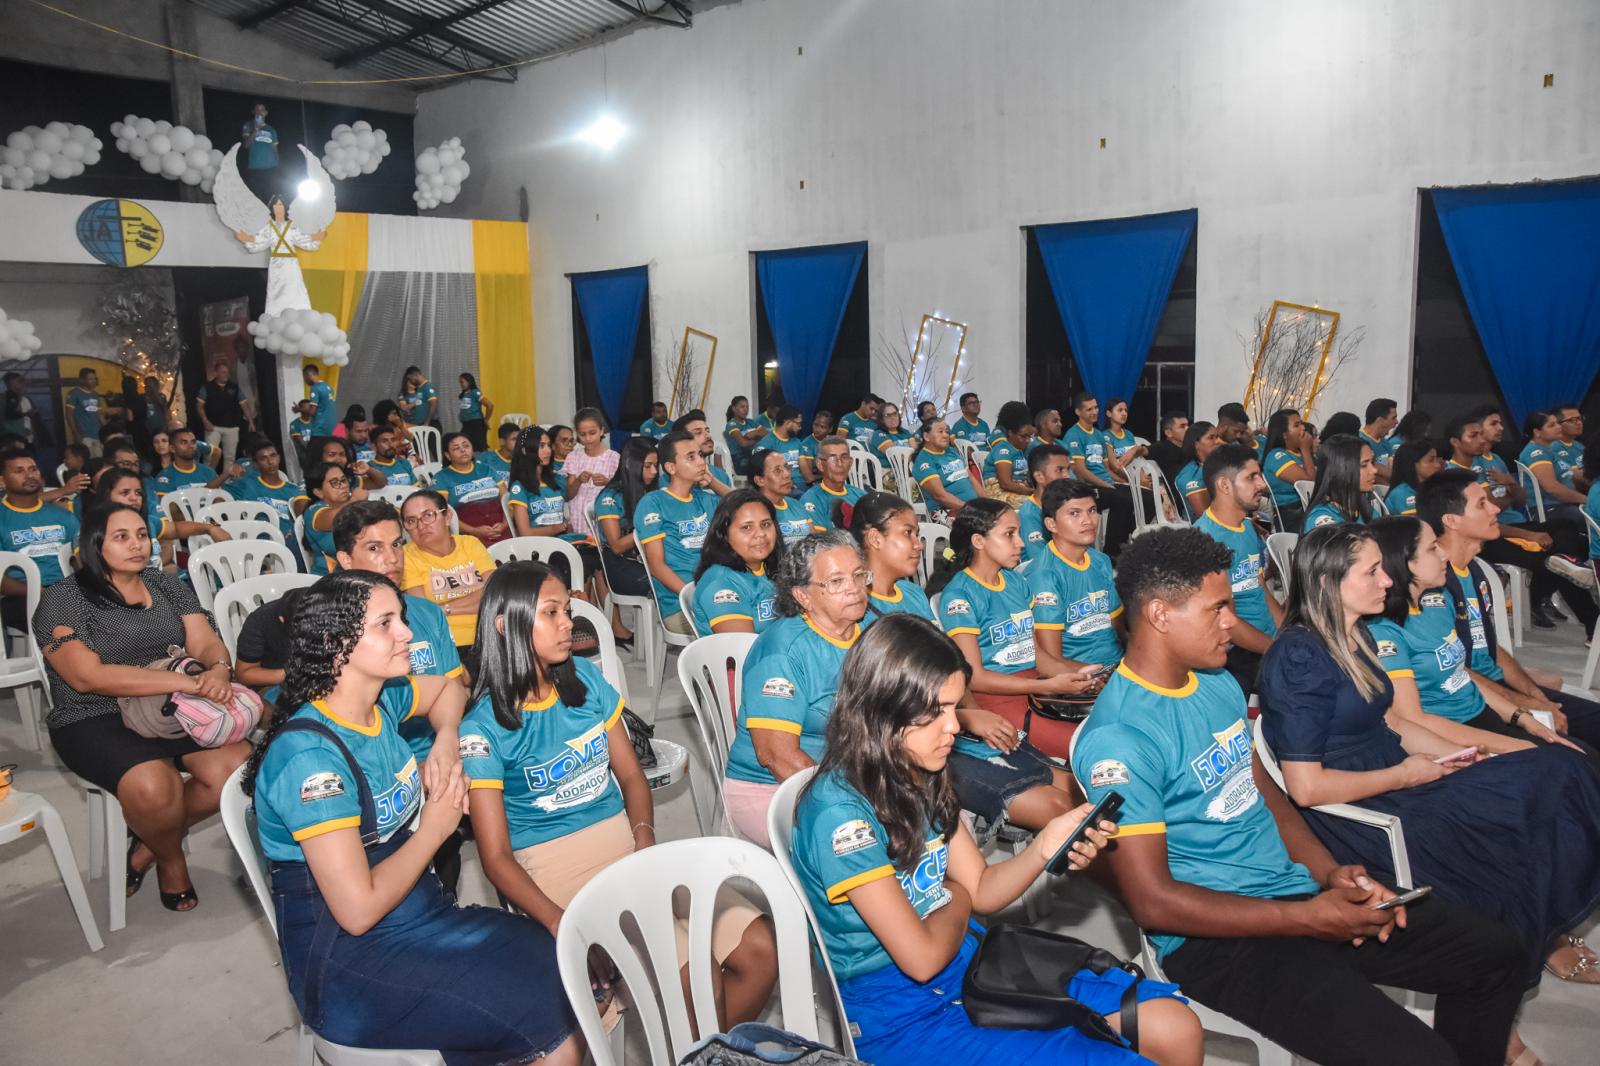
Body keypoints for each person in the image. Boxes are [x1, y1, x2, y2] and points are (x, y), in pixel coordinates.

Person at [1072, 526, 1528, 1066]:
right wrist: (1311, 918)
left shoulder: (1214, 682)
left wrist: (1329, 873)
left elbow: (1266, 792)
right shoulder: (1121, 738)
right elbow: (1153, 901)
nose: (1232, 623)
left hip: (1293, 896)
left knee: (1500, 954)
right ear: (1160, 615)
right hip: (1217, 939)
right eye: (1218, 609)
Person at [791, 613, 1202, 1066]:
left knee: (1173, 1025)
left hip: (967, 958)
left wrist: (1046, 845)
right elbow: (922, 958)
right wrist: (955, 896)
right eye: (936, 712)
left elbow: (982, 888)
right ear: (883, 709)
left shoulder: (915, 770)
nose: (954, 726)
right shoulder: (840, 815)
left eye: (954, 708)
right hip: (899, 1010)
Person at [241, 569, 580, 1064]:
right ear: (338, 645)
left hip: (420, 915)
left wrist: (444, 742)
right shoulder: (310, 762)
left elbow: (449, 691)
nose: (408, 633)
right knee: (544, 1017)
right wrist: (435, 828)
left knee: (564, 953)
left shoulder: (380, 701)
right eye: (386, 624)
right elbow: (357, 910)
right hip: (352, 961)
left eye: (402, 618)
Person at [1260, 522, 1600, 994]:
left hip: (1401, 774)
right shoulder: (1299, 656)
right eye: (1373, 571)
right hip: (1368, 808)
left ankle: (1540, 933)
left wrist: (1471, 755)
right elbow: (1306, 788)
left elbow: (1395, 725)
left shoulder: (1354, 634)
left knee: (1558, 769)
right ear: (1325, 583)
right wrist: (1403, 775)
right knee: (1525, 811)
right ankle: (1527, 947)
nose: (1387, 581)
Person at [461, 562, 778, 1030]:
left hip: (629, 846)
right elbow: (496, 857)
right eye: (551, 613)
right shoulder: (484, 727)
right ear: (506, 624)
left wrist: (644, 841)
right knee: (697, 978)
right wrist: (560, 924)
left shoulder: (583, 683)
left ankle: (705, 1054)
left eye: (566, 610)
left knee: (761, 949)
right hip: (556, 869)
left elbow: (631, 777)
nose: (569, 623)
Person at [36, 502, 249, 913]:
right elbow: (88, 677)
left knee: (235, 768)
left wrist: (218, 670)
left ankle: (147, 845)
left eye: (141, 534)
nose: (137, 544)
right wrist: (188, 681)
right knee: (154, 785)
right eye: (121, 537)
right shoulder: (63, 598)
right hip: (94, 713)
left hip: (176, 705)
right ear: (94, 546)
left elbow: (203, 639)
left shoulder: (163, 583)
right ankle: (170, 857)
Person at [1367, 513, 1573, 756]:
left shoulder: (1438, 602)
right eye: (1433, 548)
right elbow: (1414, 721)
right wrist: (1519, 746)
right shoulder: (1384, 630)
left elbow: (1460, 674)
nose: (1444, 554)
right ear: (1405, 561)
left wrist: (1521, 716)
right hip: (1450, 732)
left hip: (1481, 713)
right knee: (1567, 765)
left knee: (1581, 757)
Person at [1420, 472, 1600, 736]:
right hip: (1468, 702)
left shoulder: (1474, 570)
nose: (1495, 508)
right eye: (1482, 504)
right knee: (1581, 763)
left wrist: (1538, 697)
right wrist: (1527, 706)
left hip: (1499, 686)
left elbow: (1492, 648)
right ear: (1451, 521)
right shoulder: (1434, 585)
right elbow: (1454, 672)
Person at [928, 498, 1104, 759]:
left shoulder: (1014, 581)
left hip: (1036, 689)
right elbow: (974, 676)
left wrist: (1077, 675)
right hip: (997, 700)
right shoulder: (960, 597)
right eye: (1009, 535)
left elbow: (1036, 655)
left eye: (1019, 533)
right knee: (1090, 747)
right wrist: (1050, 685)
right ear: (979, 541)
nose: (1021, 543)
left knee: (1110, 721)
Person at [722, 531, 867, 846]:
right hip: (773, 788)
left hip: (850, 773)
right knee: (858, 843)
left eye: (858, 575)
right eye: (836, 582)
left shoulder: (870, 632)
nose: (854, 589)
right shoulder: (782, 652)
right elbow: (777, 756)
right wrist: (858, 800)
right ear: (803, 596)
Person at [1192, 444, 1281, 694]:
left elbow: (1259, 586)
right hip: (1236, 650)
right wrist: (1274, 648)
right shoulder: (1207, 540)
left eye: (1260, 475)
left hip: (1263, 641)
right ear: (1224, 485)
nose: (1262, 484)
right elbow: (1226, 622)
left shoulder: (1246, 528)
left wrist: (1287, 630)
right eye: (1251, 477)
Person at [1029, 480, 1126, 679]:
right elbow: (1052, 658)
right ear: (1051, 524)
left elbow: (1119, 631)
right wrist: (1105, 676)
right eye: (1075, 513)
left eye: (1092, 510)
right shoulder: (1044, 576)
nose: (1088, 521)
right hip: (1080, 675)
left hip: (1119, 666)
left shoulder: (1101, 561)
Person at [634, 430, 719, 634]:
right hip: (680, 604)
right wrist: (693, 598)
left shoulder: (706, 499)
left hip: (716, 593)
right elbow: (656, 566)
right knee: (732, 625)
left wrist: (714, 483)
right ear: (671, 467)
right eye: (691, 457)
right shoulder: (653, 503)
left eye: (700, 455)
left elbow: (748, 505)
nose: (701, 462)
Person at [0, 448, 82, 630]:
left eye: (33, 469)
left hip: (65, 592)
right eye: (19, 471)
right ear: (2, 480)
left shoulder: (63, 516)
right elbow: (2, 583)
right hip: (22, 596)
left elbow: (79, 562)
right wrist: (42, 592)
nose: (29, 475)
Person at [692, 489, 782, 634]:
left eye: (765, 524)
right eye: (747, 527)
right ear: (724, 534)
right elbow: (742, 650)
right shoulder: (720, 584)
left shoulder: (773, 566)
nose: (760, 534)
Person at [1064, 393, 1136, 555]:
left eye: (1096, 407)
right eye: (1089, 409)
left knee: (1141, 496)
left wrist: (1126, 483)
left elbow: (1107, 468)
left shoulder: (1098, 434)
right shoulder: (1074, 435)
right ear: (1078, 412)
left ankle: (1128, 544)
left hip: (1106, 483)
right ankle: (1112, 550)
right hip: (1088, 487)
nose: (1094, 411)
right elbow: (1080, 471)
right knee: (1122, 500)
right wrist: (1107, 485)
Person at [593, 436, 657, 607]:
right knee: (664, 582)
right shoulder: (610, 498)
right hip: (620, 565)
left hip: (644, 557)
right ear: (630, 465)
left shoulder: (647, 491)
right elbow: (616, 546)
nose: (654, 472)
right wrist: (649, 528)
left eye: (655, 465)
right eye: (648, 466)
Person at [433, 432, 509, 545]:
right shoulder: (442, 477)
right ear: (448, 455)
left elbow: (507, 500)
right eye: (456, 448)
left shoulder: (487, 469)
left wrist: (505, 524)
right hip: (468, 533)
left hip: (500, 527)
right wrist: (474, 531)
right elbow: (443, 513)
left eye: (466, 446)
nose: (463, 450)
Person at [228, 439, 305, 548]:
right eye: (264, 458)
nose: (270, 462)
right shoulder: (246, 485)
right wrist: (227, 472)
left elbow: (300, 523)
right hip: (258, 542)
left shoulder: (293, 490)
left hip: (289, 543)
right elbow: (214, 493)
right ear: (255, 464)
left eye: (273, 456)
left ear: (278, 458)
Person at [559, 408, 617, 541]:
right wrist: (578, 480)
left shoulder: (614, 458)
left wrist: (607, 482)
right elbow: (569, 494)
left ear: (602, 430)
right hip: (578, 519)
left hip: (602, 520)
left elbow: (619, 493)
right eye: (582, 434)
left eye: (592, 433)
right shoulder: (573, 457)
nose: (588, 439)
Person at [300, 461, 363, 575]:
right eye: (335, 482)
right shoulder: (313, 512)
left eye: (343, 480)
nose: (343, 485)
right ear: (318, 492)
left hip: (355, 572)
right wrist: (355, 500)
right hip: (328, 579)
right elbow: (339, 517)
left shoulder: (349, 504)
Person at [1302, 433, 1374, 532]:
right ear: (1342, 470)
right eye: (1364, 465)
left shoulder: (1363, 507)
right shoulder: (1322, 518)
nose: (1374, 470)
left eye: (1372, 462)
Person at [912, 417, 979, 522]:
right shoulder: (924, 461)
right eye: (940, 431)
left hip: (971, 507)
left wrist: (987, 503)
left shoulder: (951, 451)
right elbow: (940, 496)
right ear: (926, 436)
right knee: (987, 526)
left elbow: (971, 478)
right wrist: (970, 509)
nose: (945, 435)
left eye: (947, 431)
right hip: (945, 511)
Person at [1260, 407, 1316, 531]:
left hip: (1309, 511)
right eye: (1297, 425)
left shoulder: (1300, 454)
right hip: (1292, 516)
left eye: (1302, 423)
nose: (1303, 428)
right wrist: (1306, 449)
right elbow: (1309, 482)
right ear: (1284, 434)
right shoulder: (1276, 456)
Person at [1017, 443, 1072, 564]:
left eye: (1068, 469)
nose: (1067, 475)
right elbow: (1040, 561)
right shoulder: (1029, 514)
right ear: (1039, 476)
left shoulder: (1066, 503)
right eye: (1059, 470)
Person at [799, 436, 866, 531]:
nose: (840, 464)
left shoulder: (860, 495)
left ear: (850, 463)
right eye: (833, 459)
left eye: (844, 457)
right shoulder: (812, 500)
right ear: (820, 465)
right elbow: (820, 542)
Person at [748, 448, 812, 545]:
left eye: (786, 467)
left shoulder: (796, 505)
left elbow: (815, 542)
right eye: (777, 471)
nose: (787, 474)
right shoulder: (754, 511)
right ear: (760, 480)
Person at [197, 362, 251, 469]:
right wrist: (205, 420)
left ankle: (227, 481)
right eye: (223, 372)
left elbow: (244, 404)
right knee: (210, 455)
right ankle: (208, 478)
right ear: (216, 373)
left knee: (230, 457)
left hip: (232, 426)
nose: (226, 374)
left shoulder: (234, 387)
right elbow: (199, 406)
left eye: (227, 372)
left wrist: (251, 421)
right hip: (213, 426)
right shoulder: (207, 387)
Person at [979, 401, 1036, 505]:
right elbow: (1005, 483)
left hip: (1018, 489)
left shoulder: (1021, 449)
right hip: (998, 491)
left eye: (1029, 436)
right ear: (1010, 433)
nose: (1028, 440)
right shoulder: (1003, 448)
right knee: (1034, 503)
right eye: (1023, 436)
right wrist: (1033, 492)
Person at [672, 409, 735, 496]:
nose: (708, 436)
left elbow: (735, 504)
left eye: (707, 431)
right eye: (698, 432)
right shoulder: (673, 476)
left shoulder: (720, 475)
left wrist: (712, 482)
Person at [754, 403, 806, 495]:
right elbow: (763, 475)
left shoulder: (797, 442)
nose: (800, 427)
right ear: (788, 423)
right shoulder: (766, 445)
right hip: (783, 487)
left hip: (802, 486)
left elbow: (805, 471)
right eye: (798, 423)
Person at [1173, 420, 1220, 520]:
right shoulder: (1191, 474)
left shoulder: (1215, 466)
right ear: (1196, 444)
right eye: (1211, 438)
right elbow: (1205, 517)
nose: (1217, 442)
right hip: (1204, 531)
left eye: (1217, 437)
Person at [1384, 439, 1442, 517]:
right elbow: (1417, 525)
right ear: (1412, 464)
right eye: (1431, 460)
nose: (1437, 465)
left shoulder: (1431, 488)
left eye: (1436, 459)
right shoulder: (1401, 493)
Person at [65, 367, 107, 456]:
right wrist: (75, 433)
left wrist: (107, 428)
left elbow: (99, 414)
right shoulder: (74, 393)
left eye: (94, 378)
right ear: (82, 380)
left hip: (98, 435)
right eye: (90, 379)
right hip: (84, 435)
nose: (94, 381)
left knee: (99, 461)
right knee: (87, 462)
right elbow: (69, 414)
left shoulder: (95, 394)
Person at [724, 395, 766, 476]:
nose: (745, 409)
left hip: (754, 454)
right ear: (734, 409)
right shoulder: (732, 424)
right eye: (742, 407)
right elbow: (743, 443)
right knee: (763, 467)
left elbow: (765, 432)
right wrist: (758, 439)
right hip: (740, 459)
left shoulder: (751, 422)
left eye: (747, 407)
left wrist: (755, 433)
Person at [1360, 398, 1400, 483]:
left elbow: (1393, 470)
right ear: (1380, 421)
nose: (1397, 422)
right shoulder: (1359, 442)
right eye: (1393, 418)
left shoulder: (1385, 443)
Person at [1148, 412, 1190, 489]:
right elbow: (1141, 451)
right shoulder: (1161, 447)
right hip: (1177, 496)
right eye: (1182, 426)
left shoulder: (1191, 448)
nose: (1188, 429)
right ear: (1169, 433)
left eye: (1187, 425)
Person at [1103, 398, 1146, 473]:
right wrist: (1134, 480)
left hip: (1138, 472)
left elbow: (1136, 457)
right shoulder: (1105, 436)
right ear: (1109, 413)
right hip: (1123, 476)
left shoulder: (1129, 434)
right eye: (1120, 410)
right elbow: (1114, 466)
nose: (1124, 413)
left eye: (1126, 410)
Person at [797, 409, 836, 488]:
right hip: (814, 485)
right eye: (815, 425)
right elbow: (809, 478)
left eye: (822, 427)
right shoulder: (806, 445)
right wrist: (829, 475)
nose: (817, 429)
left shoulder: (833, 442)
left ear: (830, 429)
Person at [456, 373, 492, 452]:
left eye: (462, 382)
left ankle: (485, 462)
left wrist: (486, 419)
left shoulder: (475, 392)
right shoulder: (464, 394)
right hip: (466, 424)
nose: (461, 384)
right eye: (460, 382)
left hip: (476, 424)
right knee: (464, 443)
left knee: (481, 446)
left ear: (469, 382)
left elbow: (489, 405)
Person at [1555, 404, 1587, 490]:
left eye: (1579, 418)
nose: (1579, 423)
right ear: (1558, 424)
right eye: (1571, 420)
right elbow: (1575, 477)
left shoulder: (1579, 446)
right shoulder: (1553, 447)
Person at [302, 363, 337, 439]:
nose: (305, 380)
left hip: (319, 430)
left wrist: (300, 409)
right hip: (331, 429)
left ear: (309, 374)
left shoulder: (315, 388)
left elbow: (312, 412)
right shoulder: (328, 387)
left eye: (304, 377)